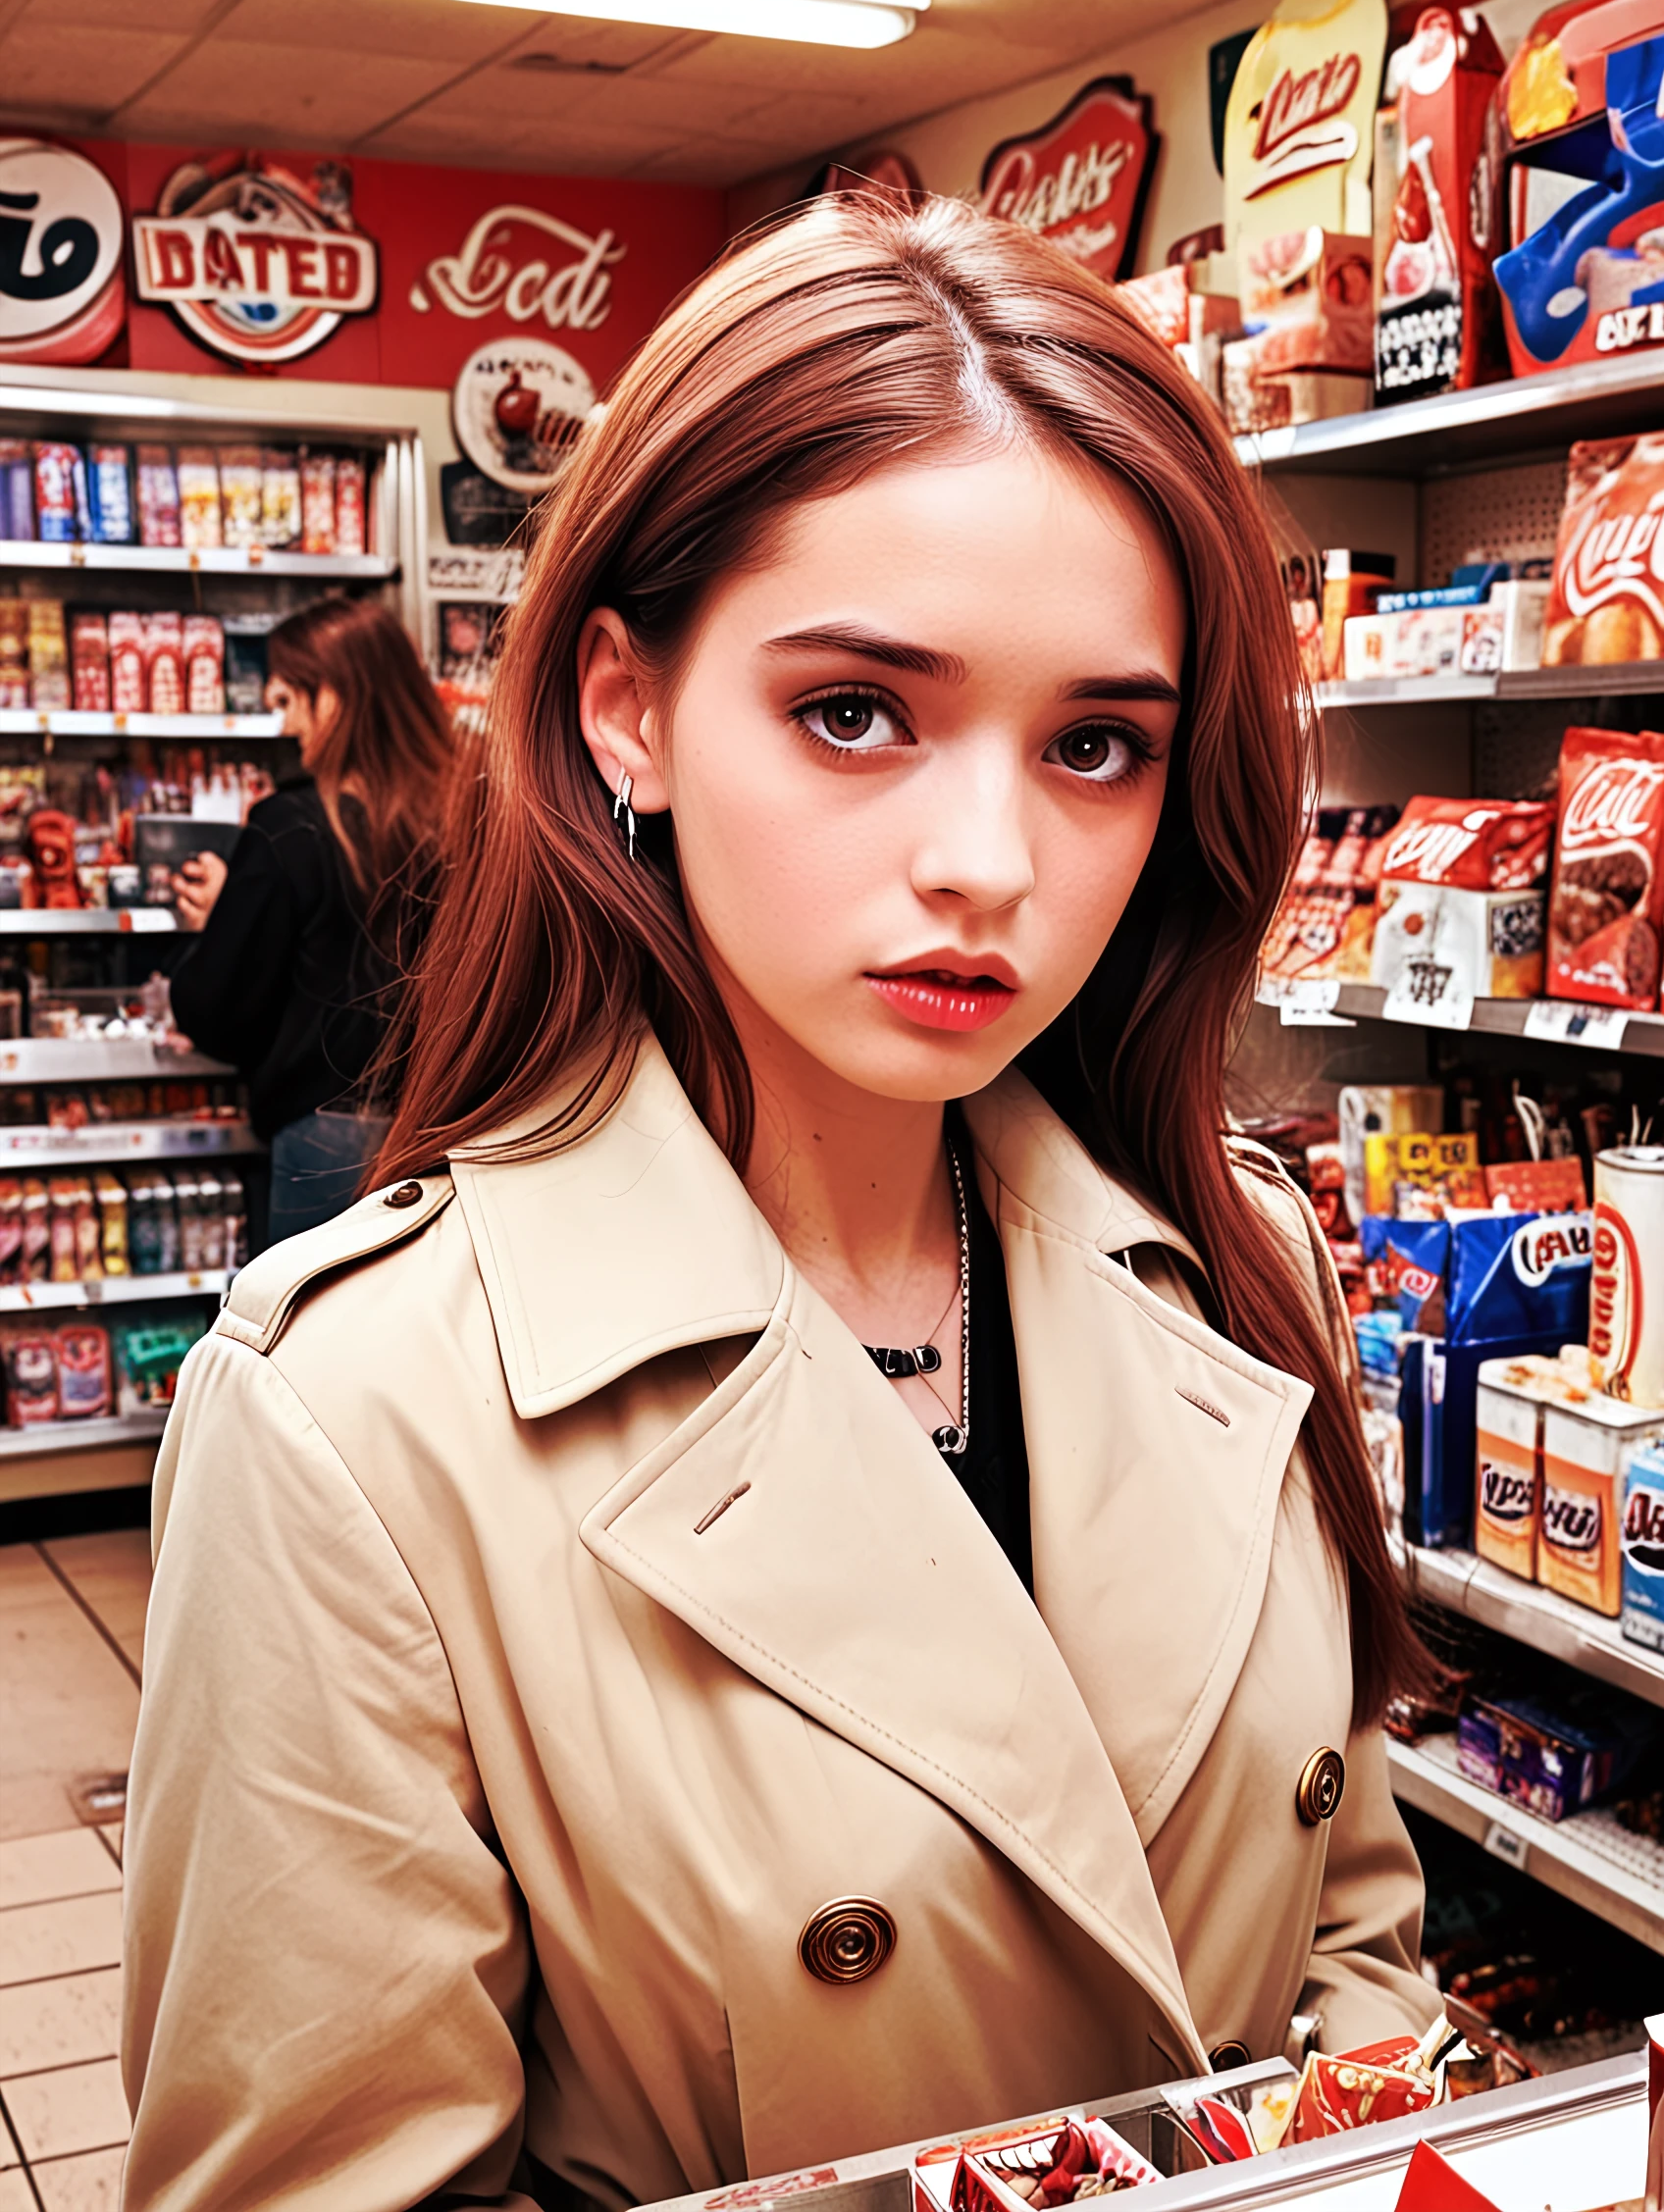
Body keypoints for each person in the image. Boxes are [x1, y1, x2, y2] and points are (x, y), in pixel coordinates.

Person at [121, 196, 1439, 2212]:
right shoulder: (356, 1423)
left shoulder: (1238, 1270)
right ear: (622, 706)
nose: (985, 859)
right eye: (854, 712)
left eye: (1095, 743)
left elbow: (1346, 1942)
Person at [168, 595, 454, 1243]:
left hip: (329, 1142)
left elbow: (215, 1008)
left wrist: (225, 918)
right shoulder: (470, 811)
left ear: (336, 699)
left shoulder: (290, 826)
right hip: (448, 1127)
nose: (283, 720)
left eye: (289, 698)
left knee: (316, 1337)